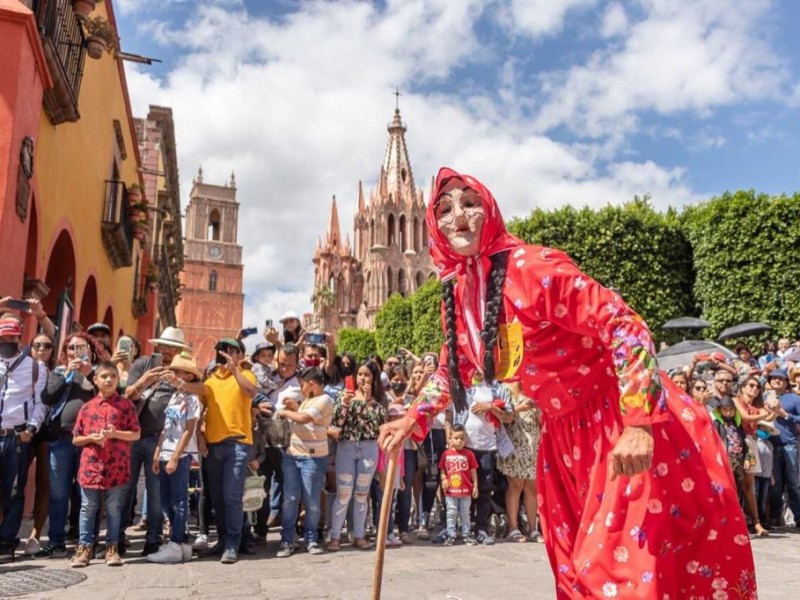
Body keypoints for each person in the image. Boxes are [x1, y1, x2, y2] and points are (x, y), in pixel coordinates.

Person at [379, 167, 756, 599]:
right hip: (561, 439)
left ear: (491, 209)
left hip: (615, 423)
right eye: (444, 209)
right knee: (579, 577)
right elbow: (453, 369)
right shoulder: (462, 293)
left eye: (469, 202)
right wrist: (412, 419)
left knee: (618, 574)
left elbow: (625, 325)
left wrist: (637, 422)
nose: (457, 215)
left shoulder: (530, 267)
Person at [121, 326, 190, 556]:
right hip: (134, 435)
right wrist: (145, 380)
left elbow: (196, 395)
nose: (168, 351)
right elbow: (127, 394)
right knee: (125, 488)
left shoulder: (182, 370)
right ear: (158, 346)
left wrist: (179, 383)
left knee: (156, 491)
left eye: (173, 347)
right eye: (165, 346)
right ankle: (117, 537)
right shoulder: (143, 364)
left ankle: (153, 538)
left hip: (160, 439)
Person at [34, 333, 100, 559]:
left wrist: (89, 373)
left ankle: (86, 542)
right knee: (58, 494)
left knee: (86, 494)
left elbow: (111, 395)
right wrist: (66, 374)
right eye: (71, 348)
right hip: (61, 440)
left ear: (90, 350)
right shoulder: (60, 372)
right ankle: (56, 542)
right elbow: (47, 397)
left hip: (88, 441)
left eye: (80, 347)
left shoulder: (99, 373)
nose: (75, 352)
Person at [70, 361, 140, 568]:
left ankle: (112, 547)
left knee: (113, 507)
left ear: (118, 379)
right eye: (104, 376)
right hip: (91, 466)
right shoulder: (86, 407)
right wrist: (91, 437)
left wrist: (114, 434)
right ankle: (84, 548)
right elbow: (76, 438)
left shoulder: (126, 406)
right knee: (88, 507)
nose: (108, 380)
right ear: (96, 379)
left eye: (113, 376)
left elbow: (136, 433)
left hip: (116, 466)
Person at [196, 338, 257, 564]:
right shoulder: (210, 381)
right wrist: (198, 437)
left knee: (232, 496)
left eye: (233, 350)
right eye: (223, 350)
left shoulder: (247, 375)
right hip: (213, 447)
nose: (227, 354)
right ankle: (222, 540)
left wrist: (235, 370)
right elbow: (198, 411)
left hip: (237, 444)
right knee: (218, 498)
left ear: (240, 354)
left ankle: (233, 542)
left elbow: (251, 392)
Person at [147, 353, 203, 564]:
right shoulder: (175, 395)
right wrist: (158, 452)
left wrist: (175, 457)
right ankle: (182, 543)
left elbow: (189, 430)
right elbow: (166, 427)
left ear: (188, 375)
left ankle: (176, 543)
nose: (173, 374)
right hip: (166, 451)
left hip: (180, 453)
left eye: (178, 371)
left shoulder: (192, 398)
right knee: (166, 500)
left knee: (179, 500)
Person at [0, 317, 48, 561]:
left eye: (11, 337)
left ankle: (8, 542)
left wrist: (31, 428)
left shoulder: (35, 367)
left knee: (13, 491)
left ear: (20, 338)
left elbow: (41, 404)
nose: (7, 341)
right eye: (3, 337)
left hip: (16, 437)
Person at [327, 360, 387, 552]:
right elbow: (336, 423)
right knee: (343, 493)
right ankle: (335, 536)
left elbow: (378, 423)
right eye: (359, 374)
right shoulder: (343, 396)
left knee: (361, 494)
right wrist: (345, 403)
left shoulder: (379, 401)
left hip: (369, 448)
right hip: (347, 446)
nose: (362, 378)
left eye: (367, 375)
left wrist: (368, 400)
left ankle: (359, 535)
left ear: (374, 378)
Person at [275, 367, 333, 557]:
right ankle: (287, 539)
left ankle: (311, 538)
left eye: (303, 384)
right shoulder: (308, 400)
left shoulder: (325, 400)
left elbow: (304, 418)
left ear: (312, 383)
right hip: (293, 455)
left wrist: (286, 413)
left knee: (312, 501)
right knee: (290, 499)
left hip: (313, 458)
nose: (301, 388)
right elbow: (305, 418)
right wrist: (295, 407)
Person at [22, 332, 57, 556]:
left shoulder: (57, 372)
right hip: (23, 427)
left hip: (47, 429)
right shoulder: (21, 367)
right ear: (30, 347)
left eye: (47, 345)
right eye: (37, 345)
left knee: (44, 483)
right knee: (14, 481)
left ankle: (35, 534)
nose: (42, 349)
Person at [497, 381, 543, 543]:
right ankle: (513, 527)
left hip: (533, 443)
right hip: (515, 443)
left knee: (532, 486)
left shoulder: (535, 387)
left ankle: (533, 528)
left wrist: (538, 410)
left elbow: (543, 421)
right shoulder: (506, 389)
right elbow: (502, 417)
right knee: (515, 485)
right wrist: (519, 409)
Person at [763, 368, 800, 528]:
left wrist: (785, 414)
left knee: (794, 484)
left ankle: (799, 518)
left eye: (781, 379)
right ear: (769, 381)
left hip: (790, 445)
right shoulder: (763, 397)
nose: (777, 380)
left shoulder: (794, 398)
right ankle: (775, 518)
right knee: (775, 485)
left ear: (786, 382)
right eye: (774, 378)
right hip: (770, 445)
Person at [438, 423, 478, 546]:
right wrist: (444, 479)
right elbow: (442, 469)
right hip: (451, 491)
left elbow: (473, 471)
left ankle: (466, 534)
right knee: (451, 512)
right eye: (456, 438)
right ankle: (451, 534)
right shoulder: (446, 454)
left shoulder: (469, 454)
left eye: (462, 438)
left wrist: (475, 486)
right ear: (450, 438)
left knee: (465, 513)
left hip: (465, 490)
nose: (459, 441)